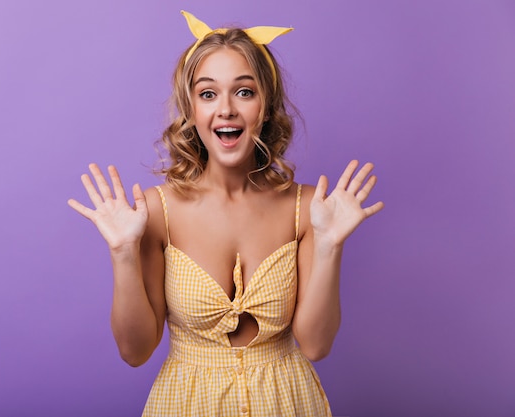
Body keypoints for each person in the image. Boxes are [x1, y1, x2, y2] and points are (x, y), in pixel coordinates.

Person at [68, 10, 384, 417]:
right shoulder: (156, 212)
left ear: (266, 107)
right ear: (192, 111)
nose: (227, 109)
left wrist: (329, 245)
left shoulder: (309, 208)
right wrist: (122, 253)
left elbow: (316, 346)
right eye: (208, 93)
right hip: (187, 403)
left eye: (244, 92)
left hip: (286, 402)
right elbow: (135, 351)